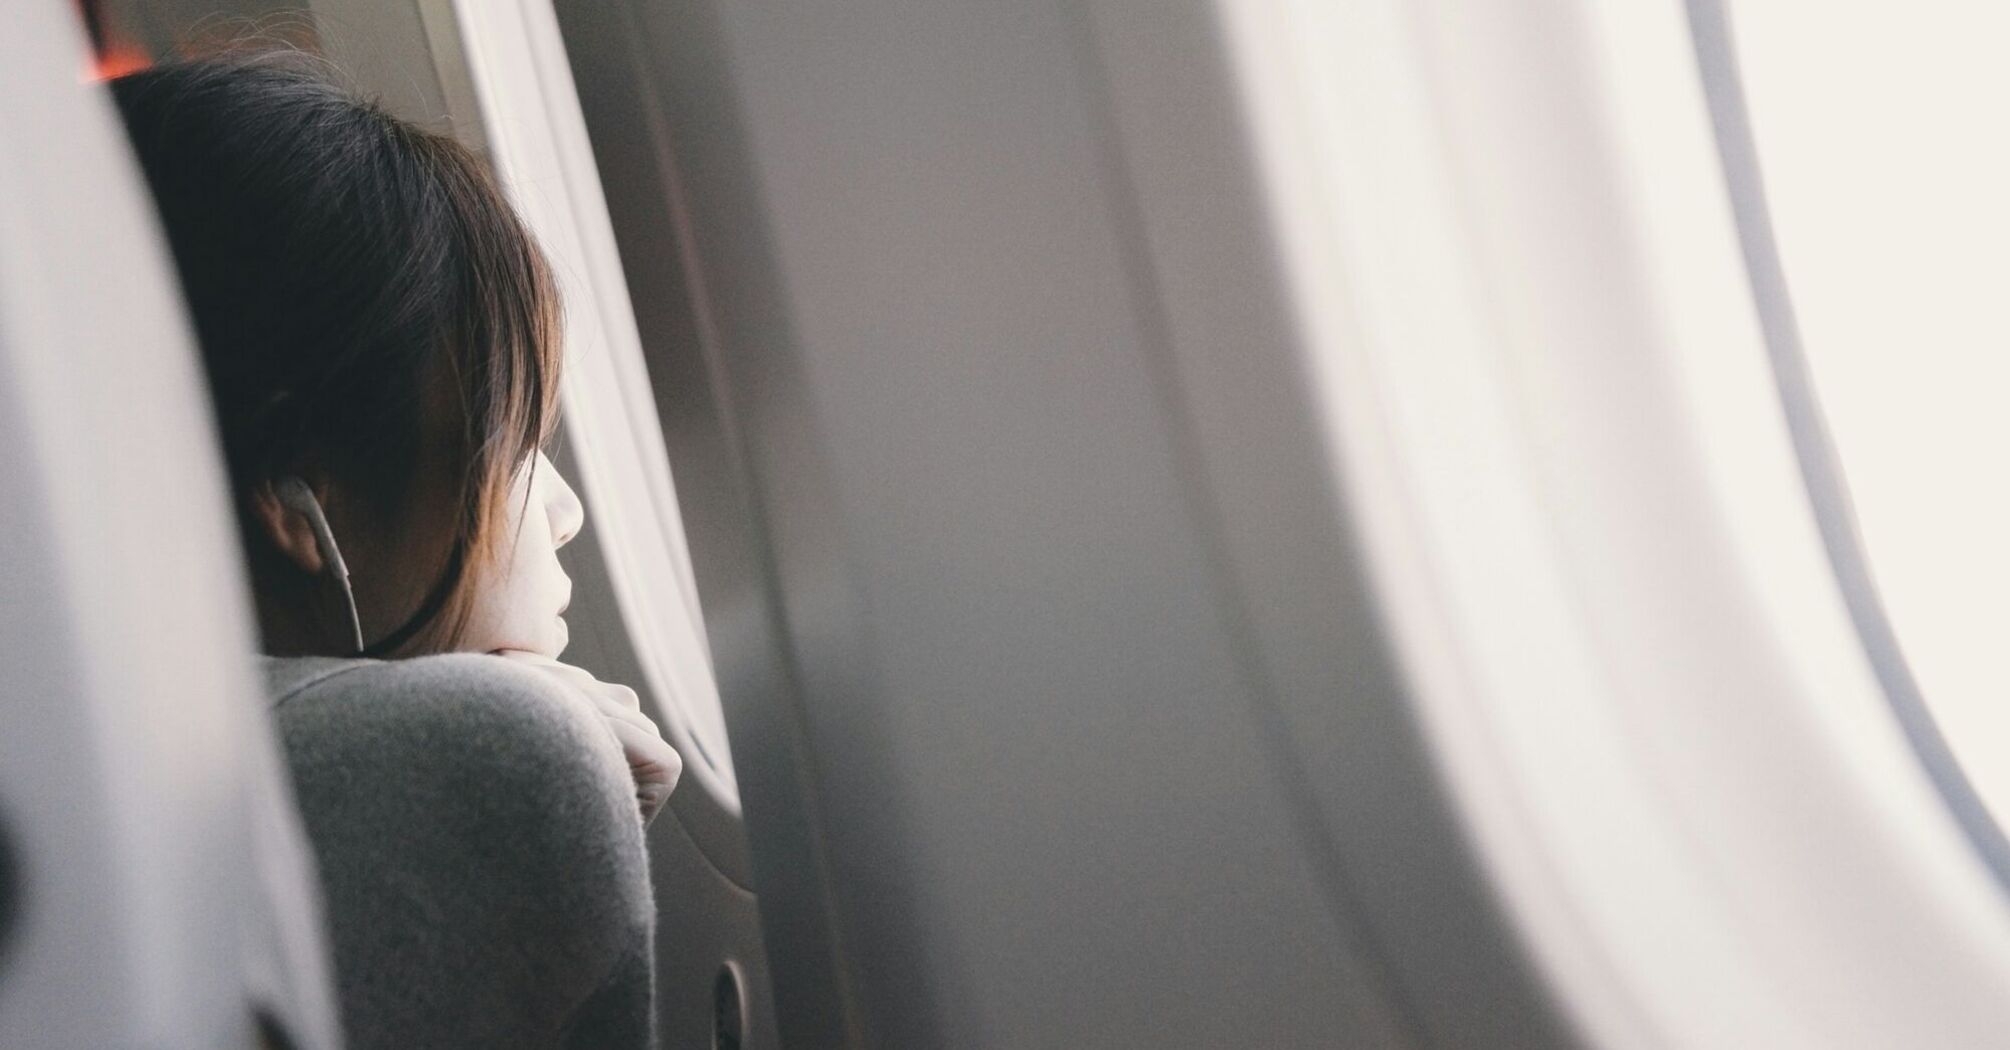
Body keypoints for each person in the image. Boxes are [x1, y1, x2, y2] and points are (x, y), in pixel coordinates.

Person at [112, 52, 680, 1050]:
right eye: (518, 449)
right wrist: (544, 743)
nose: (566, 512)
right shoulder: (497, 757)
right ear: (301, 497)